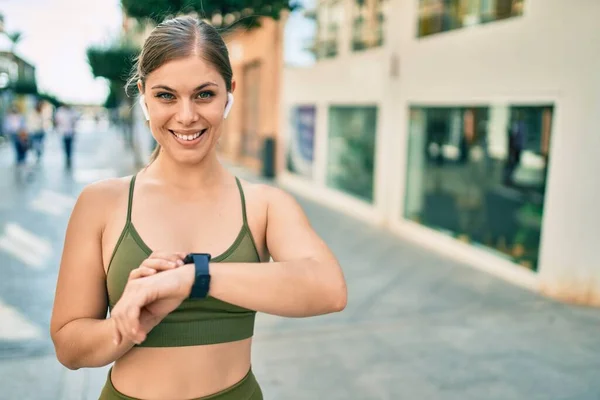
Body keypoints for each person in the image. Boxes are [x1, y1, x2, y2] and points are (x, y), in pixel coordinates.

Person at [50, 15, 347, 400]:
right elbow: (68, 348)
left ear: (229, 94)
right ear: (143, 95)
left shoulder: (264, 205)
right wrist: (126, 325)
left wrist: (193, 278)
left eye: (204, 94)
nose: (186, 115)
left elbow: (329, 289)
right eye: (166, 95)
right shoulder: (101, 203)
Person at [54, 103, 77, 169]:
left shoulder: (71, 111)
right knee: (65, 144)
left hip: (70, 131)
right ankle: (67, 155)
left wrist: (74, 129)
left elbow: (74, 121)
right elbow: (57, 121)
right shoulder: (60, 111)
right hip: (63, 131)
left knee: (70, 144)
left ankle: (69, 155)